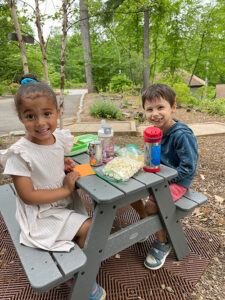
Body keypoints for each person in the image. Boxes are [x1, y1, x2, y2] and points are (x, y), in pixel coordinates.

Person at [0, 80, 106, 300]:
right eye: (30, 116)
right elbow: (28, 196)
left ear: (58, 112)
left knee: (91, 222)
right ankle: (78, 276)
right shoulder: (21, 154)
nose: (40, 123)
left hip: (60, 204)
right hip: (41, 213)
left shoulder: (57, 140)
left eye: (47, 113)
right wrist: (66, 189)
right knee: (91, 228)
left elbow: (49, 161)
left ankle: (74, 256)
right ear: (21, 118)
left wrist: (62, 164)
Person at [131, 83, 198, 270]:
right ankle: (147, 224)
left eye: (161, 107)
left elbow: (188, 169)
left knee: (152, 205)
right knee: (130, 194)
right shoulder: (156, 132)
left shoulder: (182, 135)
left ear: (173, 107)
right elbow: (154, 157)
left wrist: (161, 179)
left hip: (178, 181)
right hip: (158, 176)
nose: (155, 113)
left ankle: (162, 242)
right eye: (149, 109)